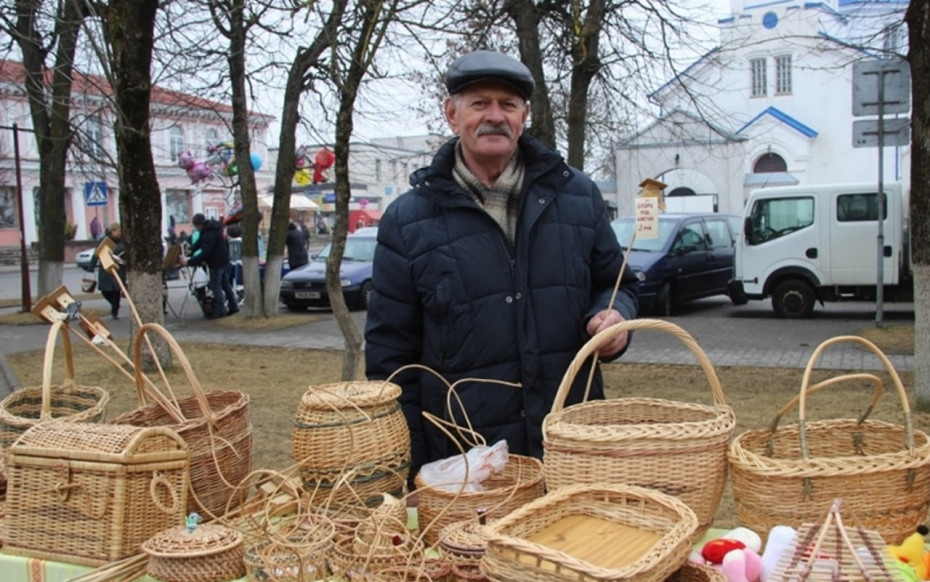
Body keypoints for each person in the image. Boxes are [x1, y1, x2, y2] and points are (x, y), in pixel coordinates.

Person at [364, 50, 639, 485]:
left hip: (569, 443)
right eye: (480, 103)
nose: (495, 116)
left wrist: (614, 317)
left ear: (524, 116)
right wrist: (414, 466)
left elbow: (615, 283)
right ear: (452, 114)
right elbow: (390, 359)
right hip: (464, 458)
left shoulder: (578, 196)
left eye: (507, 105)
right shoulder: (407, 220)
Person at [183, 213, 239, 318]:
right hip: (223, 260)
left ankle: (220, 310)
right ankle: (233, 306)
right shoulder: (211, 229)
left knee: (215, 286)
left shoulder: (208, 234)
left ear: (199, 224)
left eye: (196, 226)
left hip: (216, 262)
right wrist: (191, 250)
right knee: (225, 284)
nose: (196, 228)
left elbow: (205, 253)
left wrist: (189, 262)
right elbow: (200, 242)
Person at [89, 222, 126, 319]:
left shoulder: (123, 242)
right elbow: (96, 254)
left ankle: (115, 311)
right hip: (105, 269)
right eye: (118, 231)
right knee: (105, 291)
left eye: (120, 231)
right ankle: (114, 305)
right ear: (112, 231)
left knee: (116, 291)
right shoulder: (104, 241)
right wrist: (91, 267)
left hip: (119, 269)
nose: (119, 233)